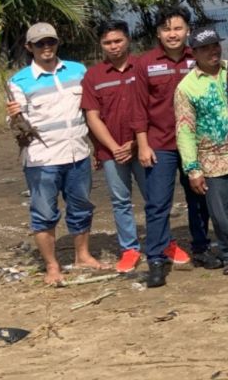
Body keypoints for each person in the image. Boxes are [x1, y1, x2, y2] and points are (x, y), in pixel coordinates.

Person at [6, 23, 101, 286]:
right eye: (39, 44)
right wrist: (14, 116)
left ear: (57, 43)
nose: (46, 48)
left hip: (77, 153)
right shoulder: (18, 82)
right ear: (29, 47)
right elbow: (17, 127)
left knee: (81, 207)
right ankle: (52, 265)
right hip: (42, 159)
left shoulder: (78, 70)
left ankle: (83, 255)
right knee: (44, 213)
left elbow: (90, 109)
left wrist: (97, 148)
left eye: (50, 42)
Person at [132, 7, 214, 288]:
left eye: (178, 28)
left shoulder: (200, 58)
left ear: (188, 30)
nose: (173, 34)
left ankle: (202, 249)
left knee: (200, 199)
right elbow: (139, 108)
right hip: (161, 145)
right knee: (157, 204)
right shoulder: (145, 63)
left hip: (196, 143)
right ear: (158, 33)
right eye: (167, 29)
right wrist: (143, 144)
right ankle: (155, 259)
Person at [174, 27, 228, 276]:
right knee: (219, 213)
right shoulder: (186, 87)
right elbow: (185, 130)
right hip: (211, 158)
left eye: (215, 45)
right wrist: (192, 169)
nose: (212, 51)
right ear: (193, 52)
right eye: (204, 48)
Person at [81, 20, 145, 273]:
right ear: (100, 45)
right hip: (111, 151)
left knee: (155, 198)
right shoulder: (93, 75)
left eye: (118, 40)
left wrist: (134, 143)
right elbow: (92, 116)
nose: (114, 46)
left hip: (143, 146)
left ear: (128, 39)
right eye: (107, 42)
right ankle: (129, 248)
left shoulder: (141, 67)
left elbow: (153, 106)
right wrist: (113, 146)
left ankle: (163, 242)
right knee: (120, 200)